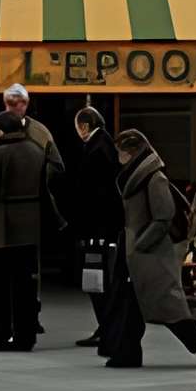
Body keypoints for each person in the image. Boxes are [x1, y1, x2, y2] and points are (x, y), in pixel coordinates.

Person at [105, 128, 196, 368]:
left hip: (148, 254)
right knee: (132, 305)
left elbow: (163, 216)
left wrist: (140, 244)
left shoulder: (153, 178)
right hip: (138, 253)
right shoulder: (136, 177)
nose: (119, 158)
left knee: (169, 310)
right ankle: (125, 354)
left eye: (121, 152)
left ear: (132, 152)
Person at [0, 106, 54, 351]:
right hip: (30, 225)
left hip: (1, 227)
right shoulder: (37, 153)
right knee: (26, 285)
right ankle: (25, 335)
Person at [68, 105, 124, 349]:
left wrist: (87, 231)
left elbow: (94, 195)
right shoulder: (107, 145)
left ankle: (107, 328)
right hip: (107, 228)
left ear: (84, 126)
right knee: (101, 281)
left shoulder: (96, 150)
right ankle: (107, 327)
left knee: (98, 282)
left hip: (97, 230)